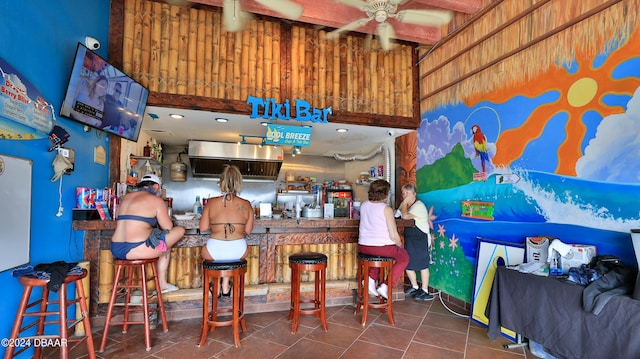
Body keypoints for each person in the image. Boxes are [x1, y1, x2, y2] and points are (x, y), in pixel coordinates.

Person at [110, 174, 185, 293]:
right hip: (137, 248)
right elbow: (168, 227)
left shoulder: (126, 197)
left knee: (163, 243)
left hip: (116, 248)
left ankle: (159, 284)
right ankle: (162, 284)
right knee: (178, 231)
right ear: (155, 187)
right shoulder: (156, 200)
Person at [200, 165, 254, 297]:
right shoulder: (246, 204)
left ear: (221, 183)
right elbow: (248, 230)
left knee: (208, 252)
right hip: (238, 250)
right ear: (239, 183)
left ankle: (217, 285)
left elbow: (203, 228)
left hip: (214, 251)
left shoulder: (211, 203)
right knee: (230, 258)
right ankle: (225, 285)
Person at [358, 179, 409, 299]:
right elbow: (393, 235)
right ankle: (386, 286)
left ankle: (370, 279)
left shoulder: (364, 205)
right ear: (385, 194)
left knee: (378, 257)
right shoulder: (386, 209)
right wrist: (399, 245)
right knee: (404, 258)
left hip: (363, 246)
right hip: (381, 248)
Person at [399, 183, 434, 301]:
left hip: (420, 239)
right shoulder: (407, 206)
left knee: (423, 265)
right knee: (407, 263)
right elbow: (398, 214)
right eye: (403, 193)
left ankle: (425, 290)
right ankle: (415, 286)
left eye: (407, 193)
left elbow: (404, 216)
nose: (404, 196)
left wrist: (403, 203)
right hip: (411, 238)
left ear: (414, 194)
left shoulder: (418, 206)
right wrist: (403, 204)